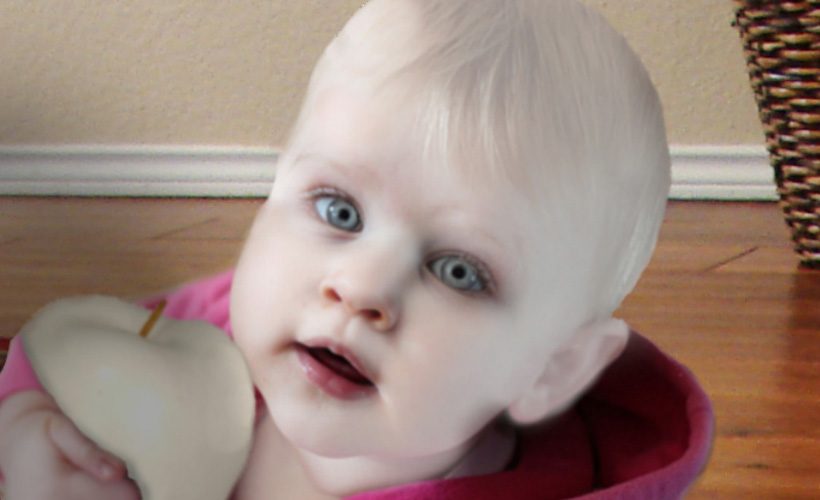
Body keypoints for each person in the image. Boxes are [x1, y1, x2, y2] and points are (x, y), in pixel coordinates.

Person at [0, 0, 713, 498]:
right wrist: (30, 431)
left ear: (552, 369)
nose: (362, 287)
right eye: (339, 211)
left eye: (458, 271)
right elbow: (57, 360)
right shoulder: (205, 334)